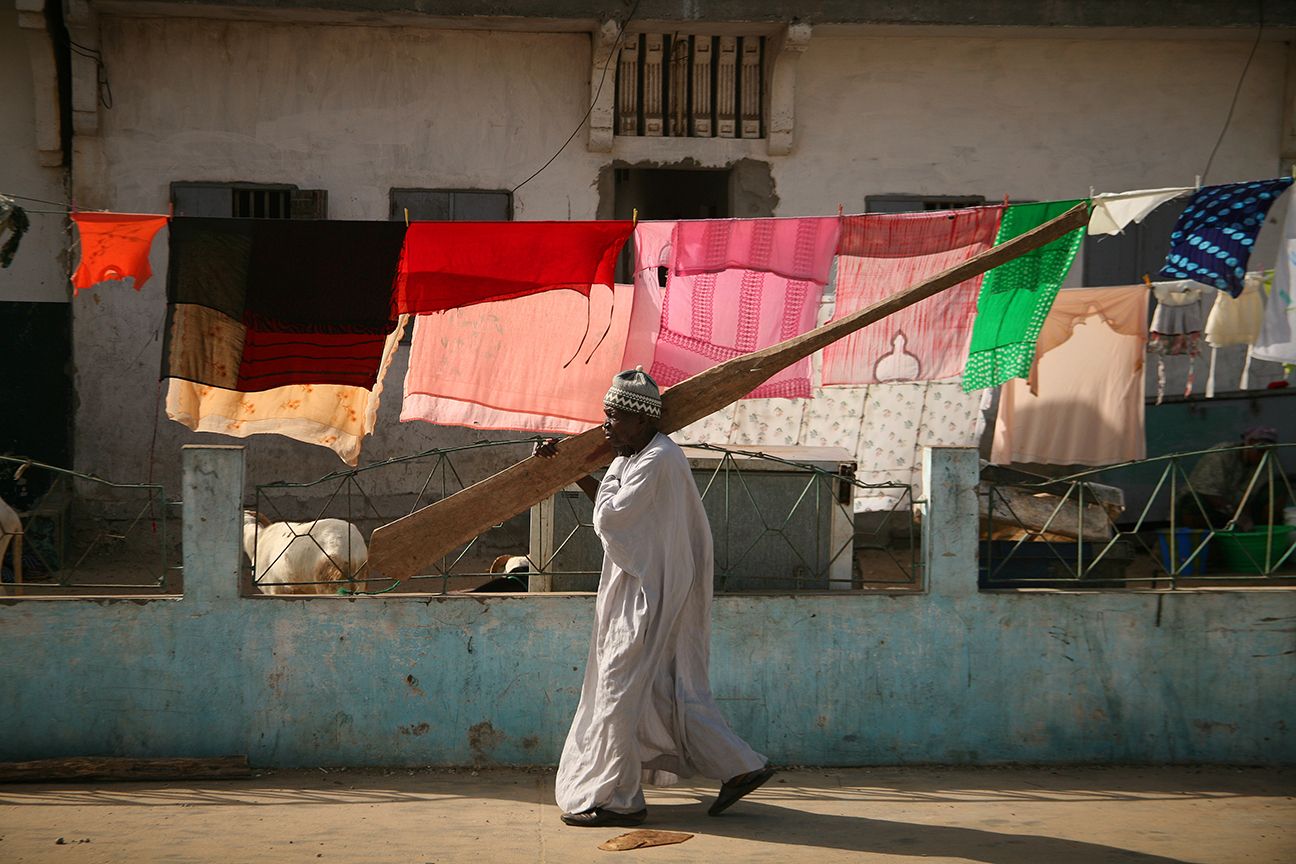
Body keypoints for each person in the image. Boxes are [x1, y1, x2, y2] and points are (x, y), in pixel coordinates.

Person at [534, 367, 774, 828]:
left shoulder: (659, 459)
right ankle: (740, 767)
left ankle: (620, 800)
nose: (607, 427)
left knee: (618, 692)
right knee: (662, 692)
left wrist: (584, 470)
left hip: (651, 596)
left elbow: (613, 519)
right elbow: (612, 511)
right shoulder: (633, 456)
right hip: (642, 589)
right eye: (605, 416)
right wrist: (569, 467)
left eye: (615, 418)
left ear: (643, 420)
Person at [1179, 425, 1285, 531]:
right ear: (1249, 442)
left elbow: (1251, 495)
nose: (1263, 456)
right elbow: (1207, 492)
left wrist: (1245, 517)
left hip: (1234, 511)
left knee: (1277, 488)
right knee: (1193, 503)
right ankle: (1202, 541)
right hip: (1211, 507)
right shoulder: (1222, 455)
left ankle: (1265, 534)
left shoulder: (1264, 463)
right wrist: (1235, 513)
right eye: (1261, 451)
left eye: (1268, 452)